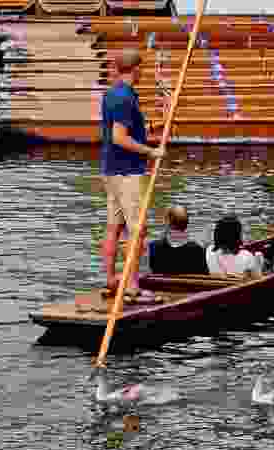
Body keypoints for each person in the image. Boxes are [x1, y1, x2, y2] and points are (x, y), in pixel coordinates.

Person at [100, 48, 166, 297]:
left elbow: (127, 130)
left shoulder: (113, 94)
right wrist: (150, 152)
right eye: (142, 68)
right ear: (136, 68)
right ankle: (131, 285)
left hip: (111, 169)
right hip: (127, 172)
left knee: (114, 227)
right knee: (137, 230)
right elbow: (119, 137)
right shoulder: (125, 98)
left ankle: (110, 280)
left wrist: (159, 120)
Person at [147, 205, 209, 275]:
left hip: (162, 285)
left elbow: (152, 270)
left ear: (168, 223)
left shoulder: (154, 246)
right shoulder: (198, 249)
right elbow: (204, 275)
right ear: (187, 223)